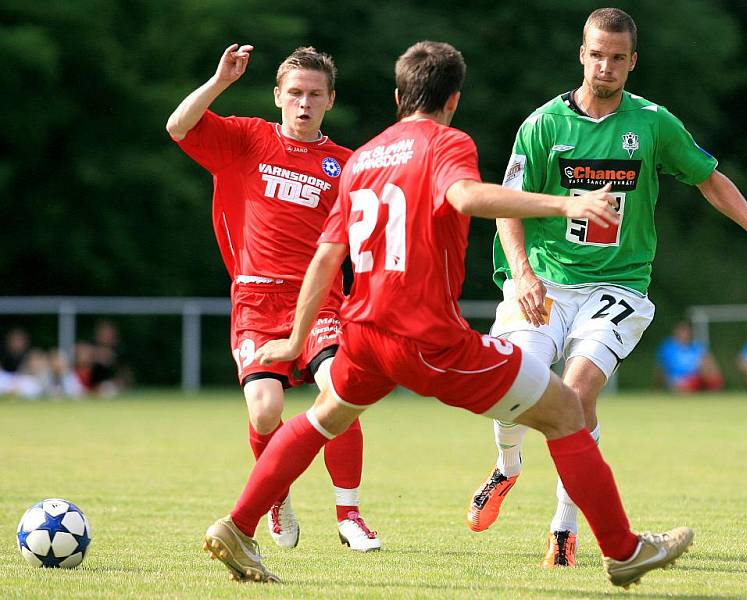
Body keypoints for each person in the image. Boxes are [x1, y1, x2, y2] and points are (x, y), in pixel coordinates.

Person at [202, 40, 694, 589]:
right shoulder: (446, 141)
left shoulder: (363, 157)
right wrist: (566, 203)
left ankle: (238, 525)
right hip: (427, 339)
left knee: (322, 418)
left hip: (363, 333)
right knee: (565, 411)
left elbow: (326, 256)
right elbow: (463, 197)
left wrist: (296, 341)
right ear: (453, 100)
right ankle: (624, 551)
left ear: (397, 95)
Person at [466, 6, 747, 569]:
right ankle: (507, 466)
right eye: (598, 55)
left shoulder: (652, 124)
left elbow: (708, 177)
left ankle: (563, 530)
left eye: (618, 57)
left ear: (632, 62)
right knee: (514, 394)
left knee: (574, 396)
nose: (607, 66)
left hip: (616, 286)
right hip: (543, 280)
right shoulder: (544, 125)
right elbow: (507, 205)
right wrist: (521, 274)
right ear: (582, 55)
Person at [167, 44, 379, 551]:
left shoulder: (346, 166)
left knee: (340, 390)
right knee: (265, 410)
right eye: (295, 93)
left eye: (315, 94)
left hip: (320, 303)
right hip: (256, 302)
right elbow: (178, 127)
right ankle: (276, 494)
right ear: (278, 96)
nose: (304, 103)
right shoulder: (245, 138)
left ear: (330, 100)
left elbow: (365, 240)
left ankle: (349, 513)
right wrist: (219, 81)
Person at [656, 321, 723, 392]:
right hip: (679, 379)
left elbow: (710, 364)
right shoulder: (668, 348)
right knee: (682, 384)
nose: (684, 334)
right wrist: (665, 384)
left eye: (686, 331)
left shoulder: (697, 347)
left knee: (708, 367)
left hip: (698, 376)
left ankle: (713, 391)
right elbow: (661, 368)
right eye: (682, 331)